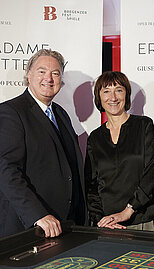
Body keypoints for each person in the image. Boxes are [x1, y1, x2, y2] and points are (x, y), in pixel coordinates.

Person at [0, 49, 87, 238]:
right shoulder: (11, 112)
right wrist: (37, 215)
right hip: (29, 229)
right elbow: (6, 170)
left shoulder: (61, 114)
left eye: (55, 73)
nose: (49, 78)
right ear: (29, 75)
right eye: (41, 71)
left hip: (64, 227)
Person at [85, 71, 154, 230]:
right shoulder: (95, 137)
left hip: (143, 220)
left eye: (119, 90)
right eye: (106, 91)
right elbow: (92, 186)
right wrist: (100, 220)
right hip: (108, 225)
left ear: (127, 95)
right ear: (99, 97)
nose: (113, 97)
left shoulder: (143, 125)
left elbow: (152, 172)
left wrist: (128, 210)